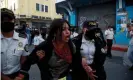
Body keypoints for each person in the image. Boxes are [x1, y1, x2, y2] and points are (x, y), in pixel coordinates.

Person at [16, 19, 96, 80]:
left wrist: (86, 68)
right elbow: (29, 61)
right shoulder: (45, 46)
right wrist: (21, 75)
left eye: (69, 29)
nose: (68, 32)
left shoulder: (71, 45)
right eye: (64, 29)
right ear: (54, 32)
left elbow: (77, 60)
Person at [1, 8, 29, 80]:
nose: (5, 21)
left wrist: (20, 76)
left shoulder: (22, 40)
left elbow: (24, 60)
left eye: (8, 19)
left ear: (14, 20)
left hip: (17, 76)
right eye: (2, 19)